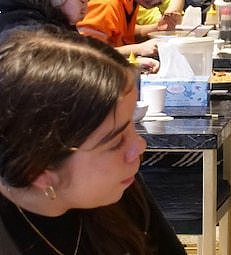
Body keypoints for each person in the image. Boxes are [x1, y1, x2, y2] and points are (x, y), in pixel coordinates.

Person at [0, 27, 186, 255]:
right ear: (37, 170)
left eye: (132, 125)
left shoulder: (119, 191)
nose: (140, 146)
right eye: (116, 140)